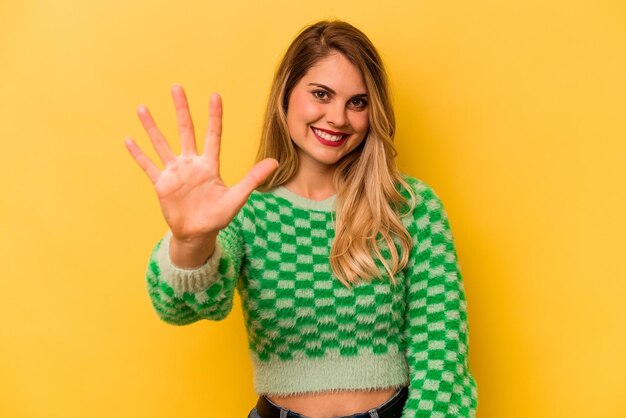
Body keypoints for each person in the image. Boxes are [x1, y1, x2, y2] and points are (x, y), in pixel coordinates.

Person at [125, 20, 478, 418]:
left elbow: (442, 353)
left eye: (357, 102)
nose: (339, 118)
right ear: (286, 96)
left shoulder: (410, 209)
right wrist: (190, 242)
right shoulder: (248, 213)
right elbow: (179, 306)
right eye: (321, 94)